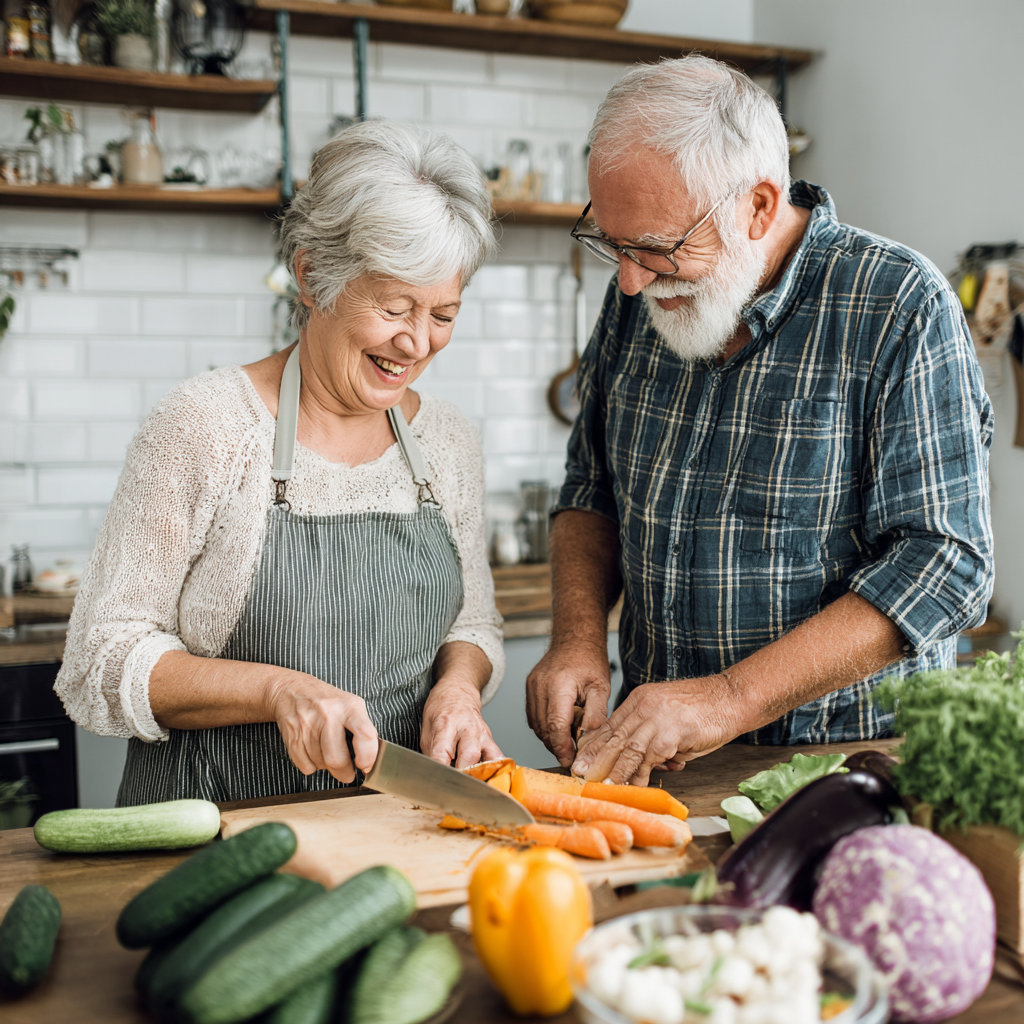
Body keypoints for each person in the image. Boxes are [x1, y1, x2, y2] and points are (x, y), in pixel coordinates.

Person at [526, 55, 993, 786]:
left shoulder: (900, 305)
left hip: (847, 769)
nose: (628, 279)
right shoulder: (636, 296)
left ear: (759, 207)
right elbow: (591, 488)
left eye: (656, 249)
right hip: (659, 760)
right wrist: (578, 639)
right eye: (614, 244)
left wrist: (729, 699)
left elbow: (946, 564)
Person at [57, 121, 506, 804]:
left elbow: (470, 626)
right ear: (310, 275)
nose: (416, 343)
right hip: (211, 837)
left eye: (443, 313)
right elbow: (101, 659)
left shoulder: (447, 442)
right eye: (394, 307)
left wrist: (458, 690)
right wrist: (278, 691)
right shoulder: (206, 424)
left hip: (393, 830)